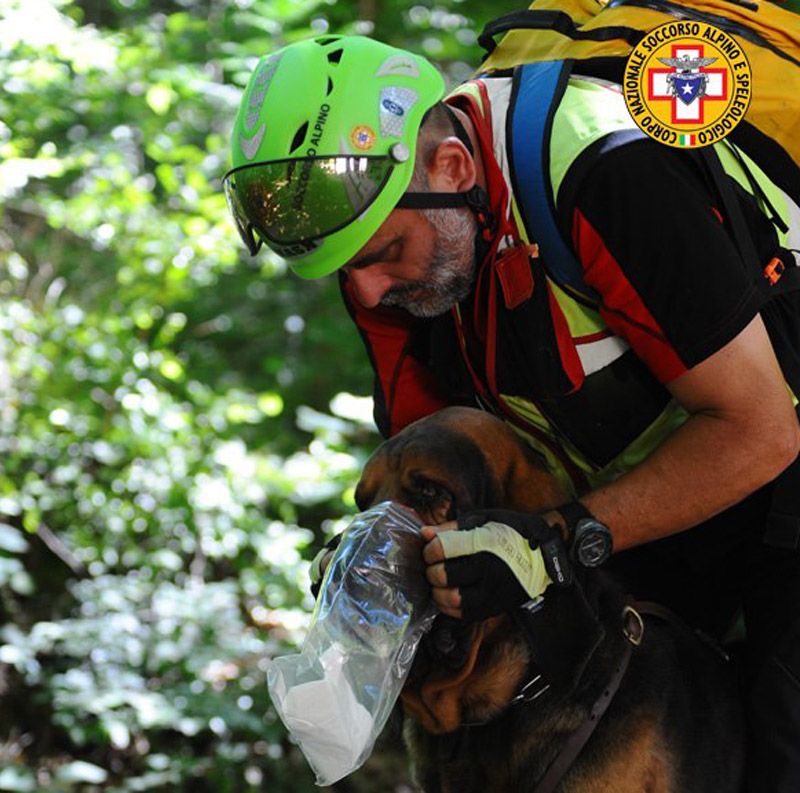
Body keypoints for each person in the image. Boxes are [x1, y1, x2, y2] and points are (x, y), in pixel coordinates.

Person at [223, 34, 800, 791]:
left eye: (380, 253)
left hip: (770, 446)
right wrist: (380, 562)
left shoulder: (608, 172)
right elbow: (439, 469)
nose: (365, 292)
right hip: (653, 489)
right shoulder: (398, 257)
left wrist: (554, 542)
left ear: (453, 168)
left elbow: (761, 432)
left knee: (783, 739)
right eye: (343, 267)